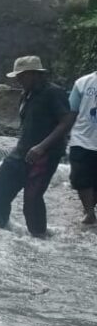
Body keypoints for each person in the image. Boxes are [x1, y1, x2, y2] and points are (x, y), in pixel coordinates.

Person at [0, 56, 75, 237]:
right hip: (22, 152)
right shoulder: (26, 95)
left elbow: (66, 121)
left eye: (22, 76)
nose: (18, 80)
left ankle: (40, 240)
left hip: (46, 154)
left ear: (36, 74)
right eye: (17, 76)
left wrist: (42, 147)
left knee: (32, 198)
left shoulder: (53, 93)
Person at [67, 67, 97, 224]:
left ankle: (90, 208)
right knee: (79, 178)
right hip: (82, 139)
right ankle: (89, 212)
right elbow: (71, 112)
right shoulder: (82, 83)